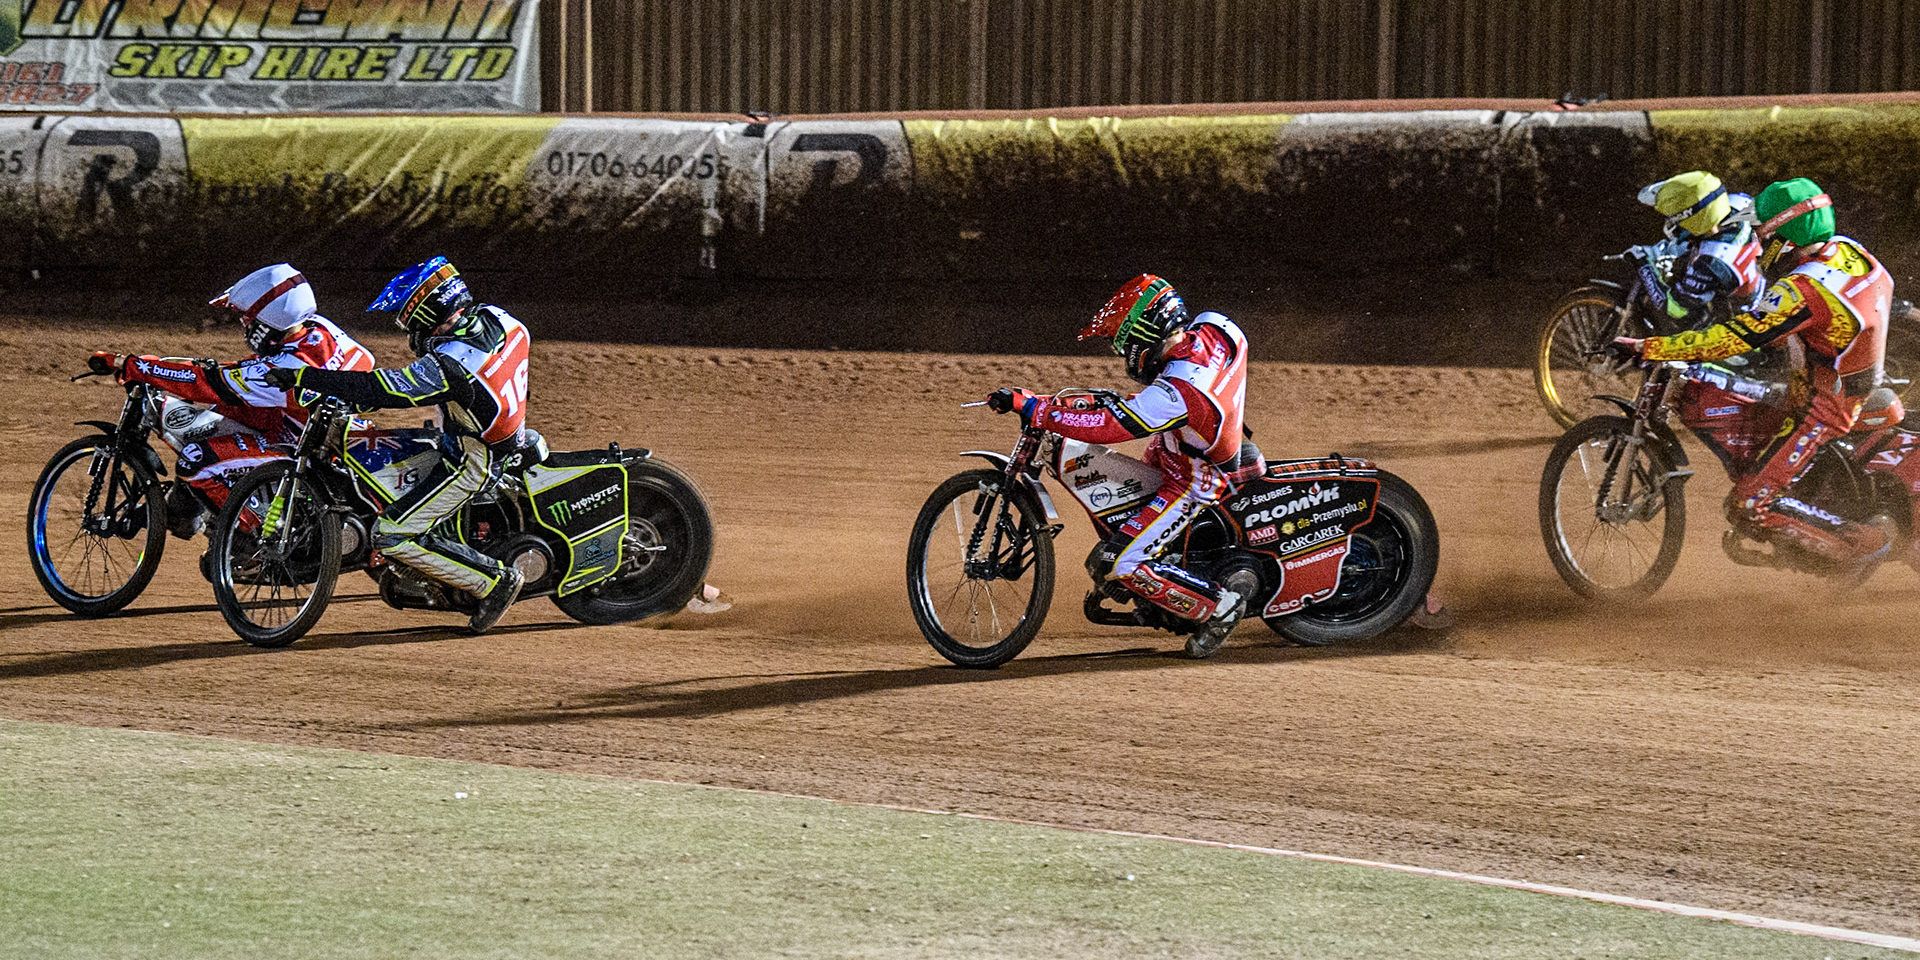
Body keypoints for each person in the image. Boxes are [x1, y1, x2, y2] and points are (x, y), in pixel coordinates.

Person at [1622, 178, 1894, 566]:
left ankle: (1857, 545)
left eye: (1764, 233)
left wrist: (1650, 348)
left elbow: (1733, 339)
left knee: (1748, 504)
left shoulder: (1803, 288)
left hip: (1826, 407)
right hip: (1835, 377)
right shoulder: (1849, 251)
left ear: (1784, 235)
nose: (1758, 242)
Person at [986, 274, 1252, 658]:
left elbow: (1110, 427)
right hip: (1183, 444)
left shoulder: (1179, 391)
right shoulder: (1214, 327)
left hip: (1194, 480)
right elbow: (1150, 404)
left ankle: (1219, 608)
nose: (1119, 351)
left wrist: (1035, 408)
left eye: (1120, 343)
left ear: (1144, 334)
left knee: (1121, 561)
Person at [266, 257, 529, 635]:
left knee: (391, 534)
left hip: (473, 460)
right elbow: (398, 392)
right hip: (495, 432)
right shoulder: (498, 319)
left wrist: (303, 375)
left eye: (408, 319)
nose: (407, 331)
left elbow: (384, 387)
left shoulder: (451, 365)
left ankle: (494, 581)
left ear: (428, 311)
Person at [88, 264, 375, 534]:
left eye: (248, 319)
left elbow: (202, 384)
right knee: (228, 410)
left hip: (298, 448)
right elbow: (366, 359)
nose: (245, 326)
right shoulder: (320, 330)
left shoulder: (283, 370)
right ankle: (184, 510)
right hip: (331, 437)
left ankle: (253, 536)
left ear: (267, 320)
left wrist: (136, 366)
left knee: (195, 459)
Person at [1635, 170, 1766, 324]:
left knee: (1680, 324)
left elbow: (1675, 308)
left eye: (1673, 216)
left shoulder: (1711, 261)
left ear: (1692, 216)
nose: (1671, 221)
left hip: (1741, 330)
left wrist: (1644, 266)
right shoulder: (1738, 204)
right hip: (1757, 284)